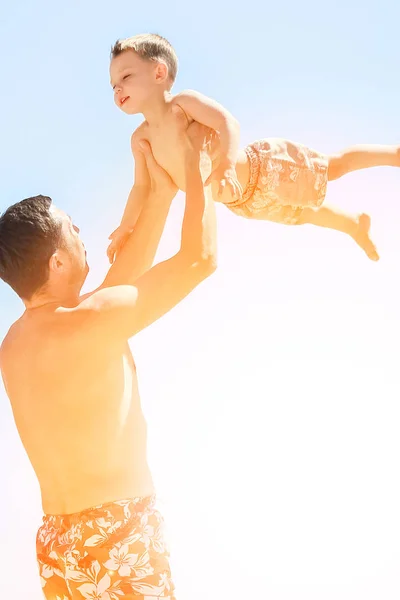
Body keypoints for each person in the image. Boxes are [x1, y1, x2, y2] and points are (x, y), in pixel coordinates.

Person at [0, 117, 217, 599]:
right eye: (72, 230)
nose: (81, 234)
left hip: (59, 544)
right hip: (119, 531)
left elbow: (117, 288)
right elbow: (200, 258)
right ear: (56, 262)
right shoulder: (91, 321)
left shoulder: (15, 344)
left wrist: (158, 192)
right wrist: (200, 168)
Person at [108, 33, 400, 264]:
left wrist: (223, 165)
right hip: (244, 202)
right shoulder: (140, 139)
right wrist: (126, 225)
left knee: (333, 167)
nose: (117, 89)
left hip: (264, 167)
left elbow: (227, 123)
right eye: (112, 85)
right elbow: (141, 188)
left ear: (159, 73)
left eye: (126, 77)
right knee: (306, 214)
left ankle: (393, 155)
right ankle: (354, 226)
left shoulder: (182, 105)